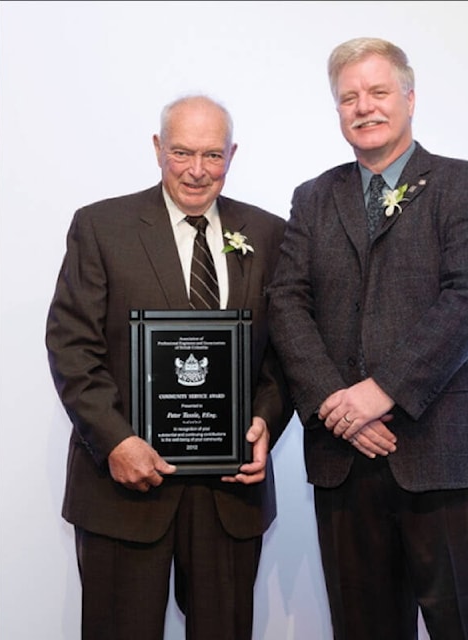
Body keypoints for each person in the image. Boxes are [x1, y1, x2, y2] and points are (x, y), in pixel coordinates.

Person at [267, 37, 468, 639]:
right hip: (344, 459)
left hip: (447, 453)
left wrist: (379, 392)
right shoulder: (313, 197)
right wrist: (335, 404)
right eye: (348, 97)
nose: (364, 107)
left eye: (378, 92)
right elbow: (286, 302)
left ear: (409, 96)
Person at [46, 94, 293, 640]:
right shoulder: (101, 227)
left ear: (232, 154)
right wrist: (115, 442)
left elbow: (284, 356)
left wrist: (263, 426)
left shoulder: (271, 234)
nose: (197, 171)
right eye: (182, 152)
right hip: (123, 489)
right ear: (158, 148)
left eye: (212, 155)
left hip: (229, 495)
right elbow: (71, 346)